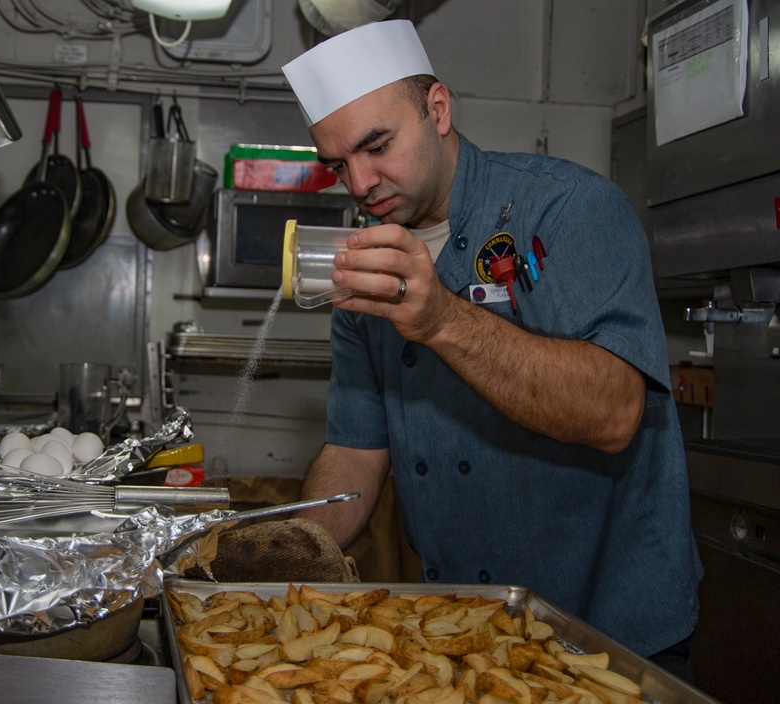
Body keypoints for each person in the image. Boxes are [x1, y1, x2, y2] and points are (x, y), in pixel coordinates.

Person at [281, 19, 702, 677]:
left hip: (607, 639)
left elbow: (615, 415)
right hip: (462, 638)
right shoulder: (367, 265)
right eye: (338, 165)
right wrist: (272, 553)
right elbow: (353, 457)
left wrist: (441, 319)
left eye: (377, 146)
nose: (360, 184)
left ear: (438, 109)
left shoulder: (572, 210)